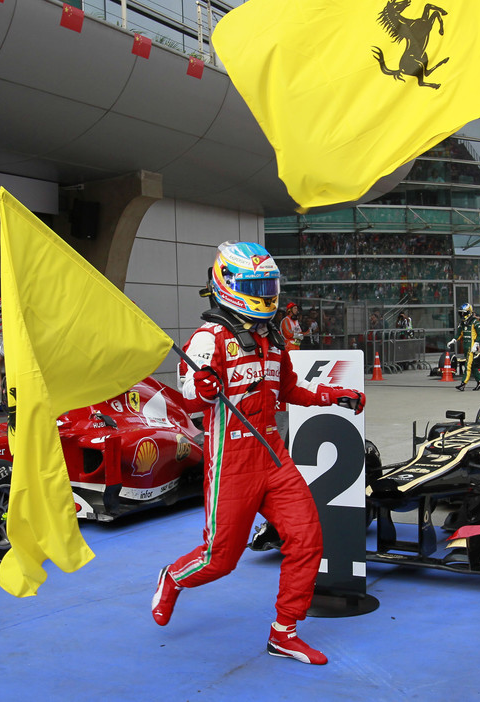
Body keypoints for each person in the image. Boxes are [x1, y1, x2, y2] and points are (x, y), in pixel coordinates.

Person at [151, 241, 366, 665]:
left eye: (269, 285)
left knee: (307, 538)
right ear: (229, 285)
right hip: (231, 461)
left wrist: (331, 395)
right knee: (219, 560)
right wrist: (204, 388)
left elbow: (288, 389)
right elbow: (188, 395)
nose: (266, 294)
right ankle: (173, 578)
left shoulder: (272, 337)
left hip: (273, 454)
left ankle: (284, 633)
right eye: (256, 286)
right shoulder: (209, 337)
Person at [450, 302, 480, 391]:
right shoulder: (462, 323)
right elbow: (459, 333)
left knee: (467, 365)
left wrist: (476, 344)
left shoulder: (475, 322)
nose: (462, 315)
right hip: (465, 346)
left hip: (471, 347)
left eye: (463, 313)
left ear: (469, 312)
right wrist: (453, 340)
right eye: (461, 313)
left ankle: (463, 384)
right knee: (473, 365)